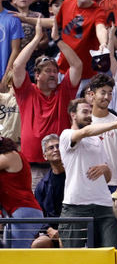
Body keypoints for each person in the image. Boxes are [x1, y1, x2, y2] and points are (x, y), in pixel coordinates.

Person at [13, 17, 81, 189]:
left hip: (62, 164)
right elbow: (18, 65)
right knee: (36, 212)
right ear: (36, 75)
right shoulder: (27, 91)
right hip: (32, 166)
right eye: (47, 71)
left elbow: (77, 65)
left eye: (55, 71)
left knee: (60, 211)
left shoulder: (64, 90)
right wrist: (37, 39)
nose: (53, 74)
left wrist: (58, 40)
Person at [58, 98, 117, 248]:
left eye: (90, 112)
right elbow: (84, 132)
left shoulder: (97, 140)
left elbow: (107, 177)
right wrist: (115, 124)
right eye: (84, 112)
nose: (89, 115)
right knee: (73, 256)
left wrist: (106, 169)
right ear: (73, 114)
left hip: (103, 204)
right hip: (76, 205)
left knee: (110, 251)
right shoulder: (66, 135)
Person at [88, 72, 117, 227]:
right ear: (92, 94)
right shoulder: (84, 123)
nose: (107, 97)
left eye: (110, 93)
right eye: (103, 92)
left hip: (115, 184)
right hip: (91, 185)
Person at [55, 0, 108, 83]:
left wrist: (103, 43)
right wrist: (26, 19)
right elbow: (55, 22)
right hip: (63, 70)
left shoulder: (98, 11)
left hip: (86, 76)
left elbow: (101, 28)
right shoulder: (67, 3)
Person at [0, 135, 44, 247]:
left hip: (24, 211)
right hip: (18, 212)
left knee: (18, 255)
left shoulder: (10, 156)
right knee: (11, 255)